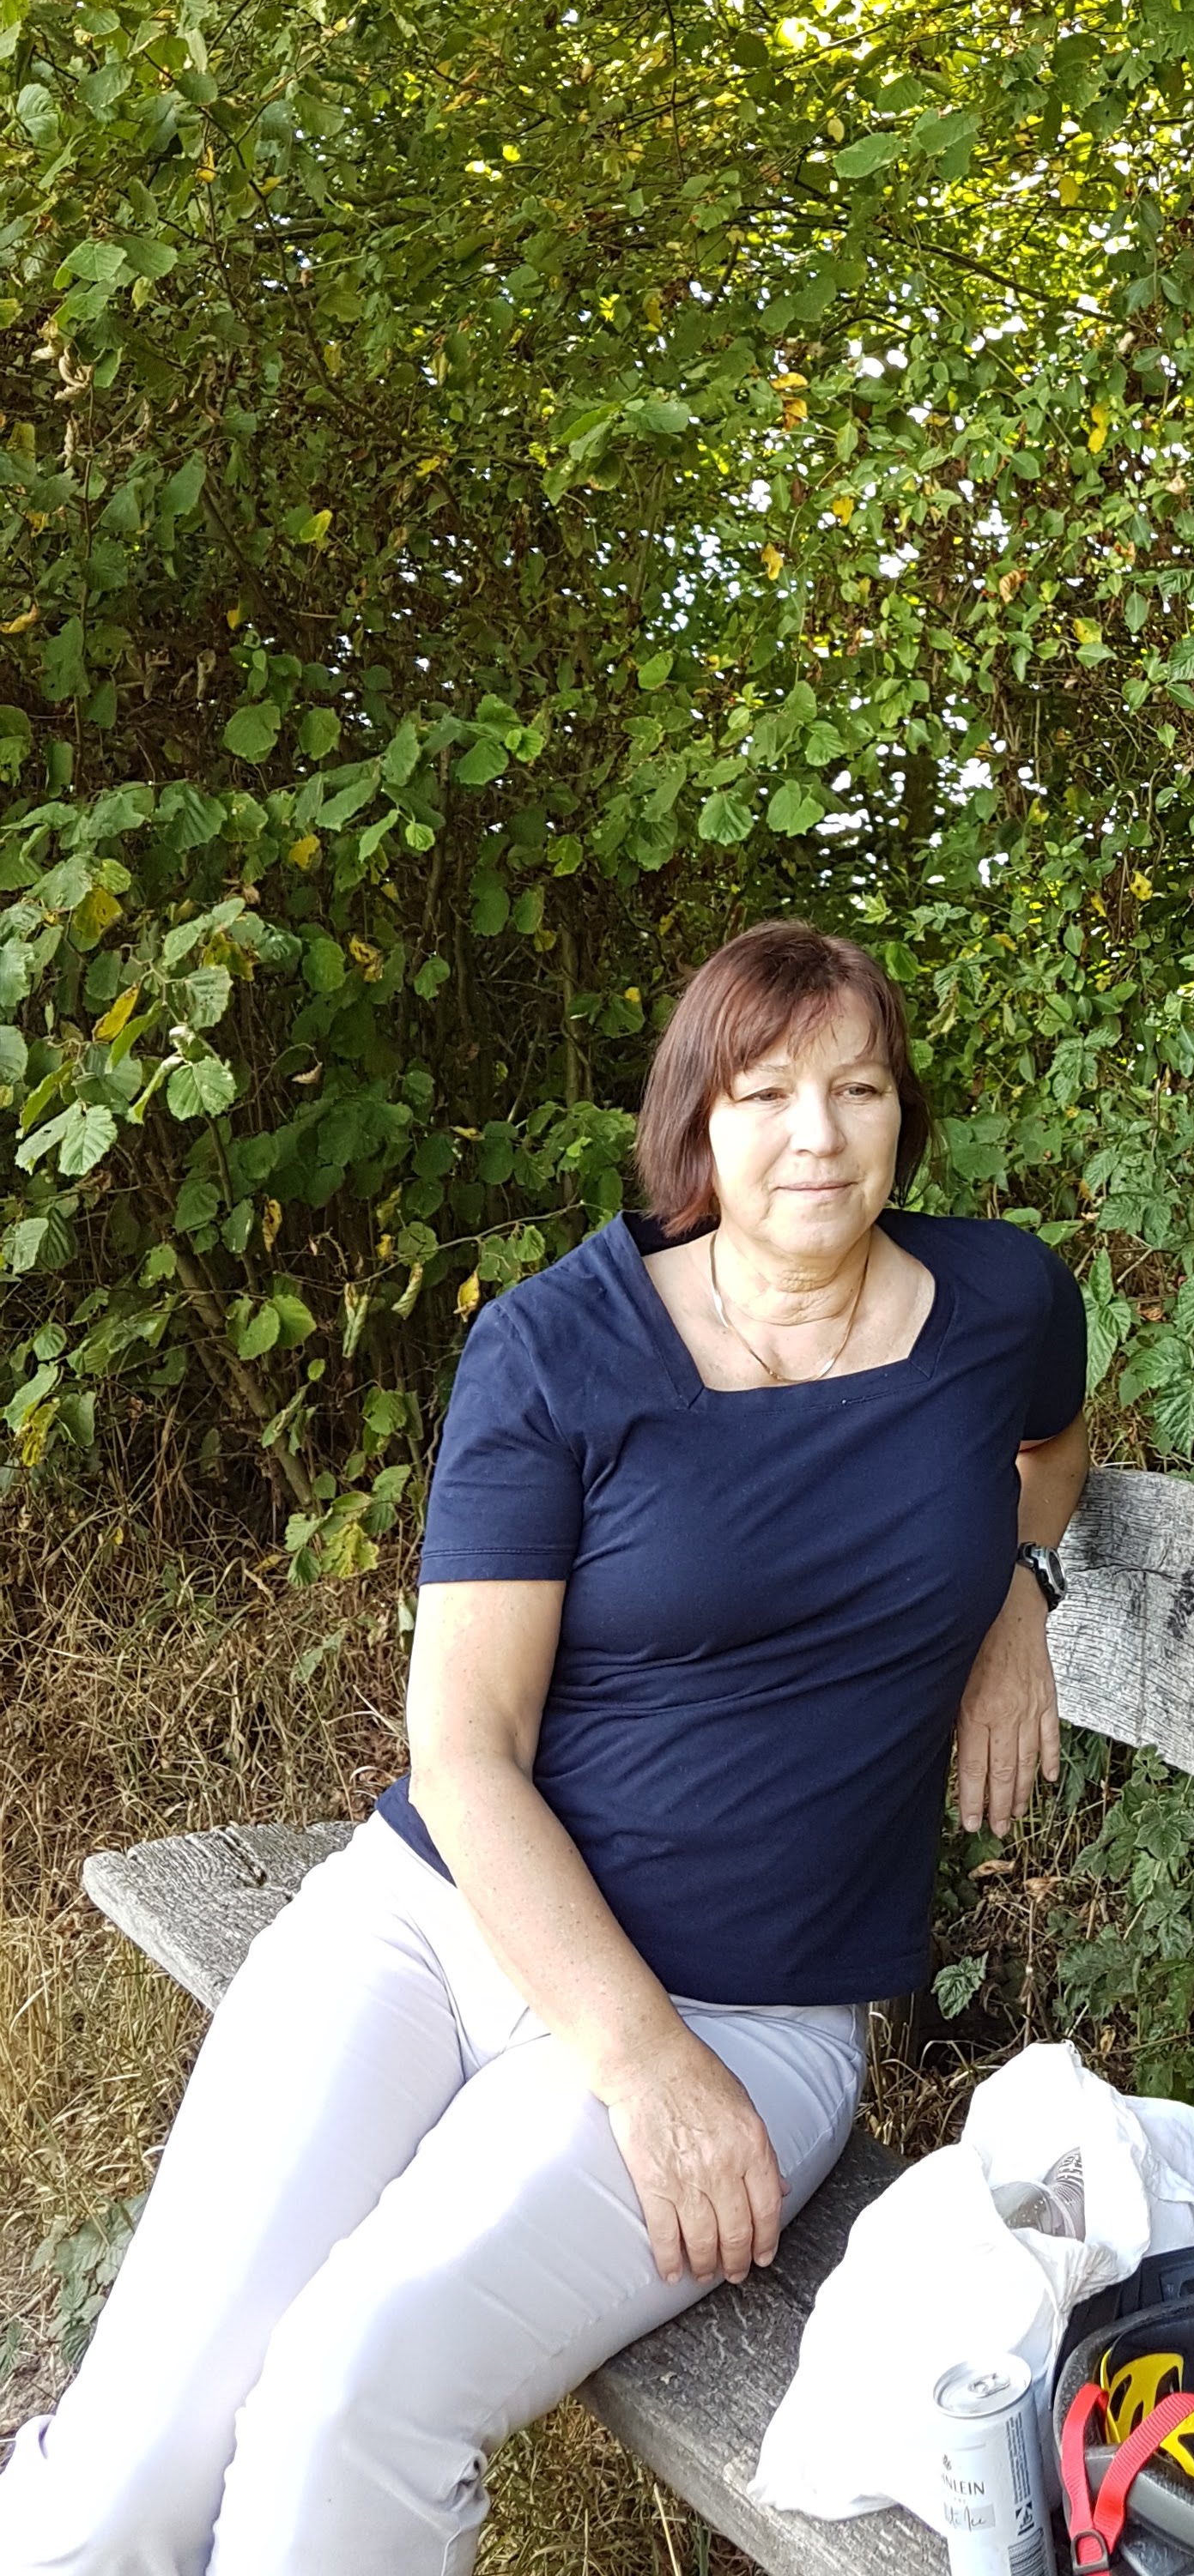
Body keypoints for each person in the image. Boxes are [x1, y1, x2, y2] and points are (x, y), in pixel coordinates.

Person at [0, 918, 1091, 2576]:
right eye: (767, 1093)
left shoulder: (1000, 1302)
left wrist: (1017, 1589)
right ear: (695, 1120)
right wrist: (636, 2064)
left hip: (747, 2006)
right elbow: (462, 1748)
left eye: (860, 1090)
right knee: (124, 2475)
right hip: (437, 1924)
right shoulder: (558, 1347)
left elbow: (1051, 1450)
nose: (817, 1135)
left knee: (345, 2400)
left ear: (903, 1116)